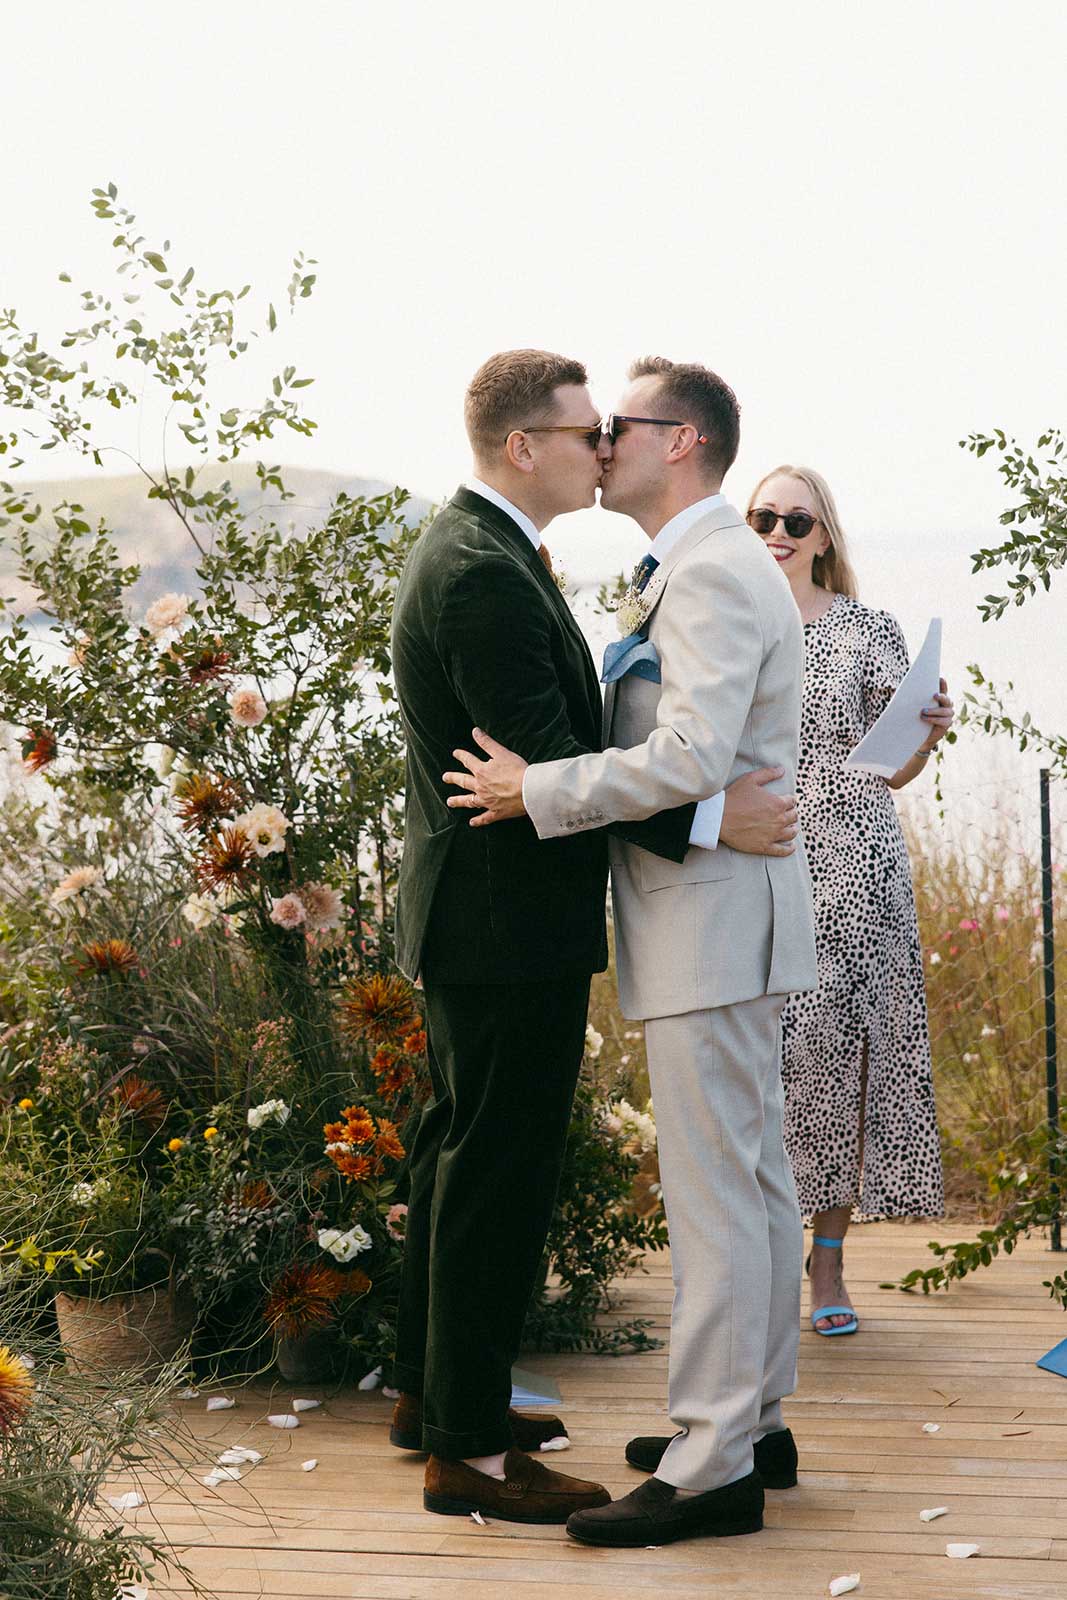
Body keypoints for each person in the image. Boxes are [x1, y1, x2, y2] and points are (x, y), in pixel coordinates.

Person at [389, 349, 794, 1526]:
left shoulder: (696, 567)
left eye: (618, 424)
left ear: (679, 440)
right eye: (587, 428)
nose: (603, 443)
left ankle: (719, 1444)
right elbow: (573, 750)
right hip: (502, 921)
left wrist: (672, 804)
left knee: (724, 1188)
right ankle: (469, 1431)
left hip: (669, 921)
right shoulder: (485, 567)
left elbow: (630, 755)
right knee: (497, 1172)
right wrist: (705, 814)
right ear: (525, 447)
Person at [744, 465, 953, 1334]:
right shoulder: (731, 621)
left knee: (843, 1058)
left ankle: (826, 1263)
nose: (778, 532)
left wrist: (926, 736)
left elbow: (892, 765)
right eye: (763, 516)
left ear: (823, 535)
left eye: (796, 520)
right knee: (764, 1058)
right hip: (757, 857)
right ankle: (756, 1249)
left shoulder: (868, 628)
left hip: (857, 867)